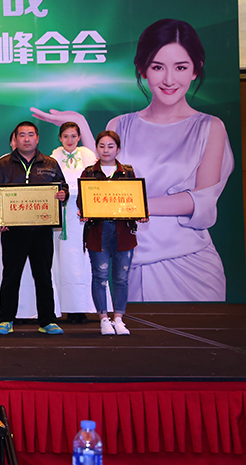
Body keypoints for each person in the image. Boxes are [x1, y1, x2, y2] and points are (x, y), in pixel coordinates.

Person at [31, 19, 233, 301]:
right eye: (158, 67)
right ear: (142, 68)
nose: (169, 79)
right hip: (132, 257)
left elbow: (203, 200)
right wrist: (82, 126)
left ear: (196, 69)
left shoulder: (210, 127)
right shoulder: (121, 124)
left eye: (181, 67)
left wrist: (129, 203)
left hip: (190, 264)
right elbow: (105, 177)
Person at [0, 121, 68, 335]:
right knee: (10, 276)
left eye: (31, 134)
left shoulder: (50, 163)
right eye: (22, 135)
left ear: (37, 138)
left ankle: (47, 320)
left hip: (42, 229)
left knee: (43, 276)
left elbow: (62, 187)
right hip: (13, 230)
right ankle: (5, 319)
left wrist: (63, 194)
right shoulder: (3, 164)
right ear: (15, 139)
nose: (26, 139)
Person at [78, 130, 145, 336]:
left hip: (123, 233)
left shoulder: (128, 173)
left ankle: (119, 318)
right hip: (97, 233)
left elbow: (135, 200)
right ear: (96, 148)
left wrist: (141, 213)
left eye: (110, 146)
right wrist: (84, 211)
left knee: (121, 277)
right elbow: (82, 201)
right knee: (99, 276)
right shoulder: (89, 173)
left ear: (118, 149)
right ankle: (103, 319)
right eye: (101, 146)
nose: (106, 150)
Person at [51, 122, 99, 323]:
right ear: (60, 138)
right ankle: (62, 307)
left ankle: (83, 306)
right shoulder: (53, 158)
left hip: (83, 215)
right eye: (65, 136)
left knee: (82, 259)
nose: (69, 140)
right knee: (62, 261)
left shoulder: (88, 155)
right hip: (61, 215)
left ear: (79, 137)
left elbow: (95, 184)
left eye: (73, 136)